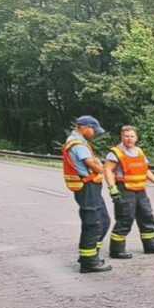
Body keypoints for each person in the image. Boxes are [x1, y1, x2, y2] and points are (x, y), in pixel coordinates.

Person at [103, 125, 154, 259]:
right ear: (122, 137)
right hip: (124, 189)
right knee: (125, 218)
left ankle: (151, 246)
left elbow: (146, 170)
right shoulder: (115, 152)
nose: (129, 139)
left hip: (140, 190)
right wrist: (112, 188)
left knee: (147, 216)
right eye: (126, 136)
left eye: (132, 136)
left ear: (136, 138)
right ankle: (116, 250)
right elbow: (107, 170)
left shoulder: (139, 151)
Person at [62, 115, 111, 273]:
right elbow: (91, 163)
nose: (94, 133)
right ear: (84, 127)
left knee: (103, 220)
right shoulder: (78, 144)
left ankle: (91, 256)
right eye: (93, 130)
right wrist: (104, 170)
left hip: (89, 186)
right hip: (87, 186)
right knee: (93, 222)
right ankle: (88, 262)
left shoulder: (79, 142)